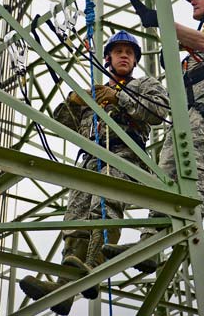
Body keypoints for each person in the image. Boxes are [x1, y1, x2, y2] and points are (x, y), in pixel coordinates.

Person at [102, 0, 204, 260]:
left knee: (193, 157)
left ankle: (191, 213)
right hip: (189, 107)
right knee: (168, 170)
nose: (193, 2)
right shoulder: (202, 32)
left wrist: (162, 21)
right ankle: (149, 244)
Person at [19, 30, 169, 315]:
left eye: (129, 52)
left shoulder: (144, 85)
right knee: (75, 221)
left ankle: (94, 268)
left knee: (104, 210)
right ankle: (64, 288)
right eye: (118, 51)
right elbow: (63, 124)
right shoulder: (97, 93)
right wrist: (73, 101)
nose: (124, 55)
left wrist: (118, 98)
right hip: (88, 160)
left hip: (122, 156)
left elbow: (157, 112)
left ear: (135, 60)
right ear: (109, 58)